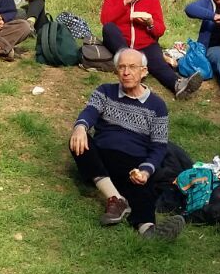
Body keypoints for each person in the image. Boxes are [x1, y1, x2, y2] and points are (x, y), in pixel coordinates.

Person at [69, 48, 186, 240]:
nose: (126, 72)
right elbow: (90, 111)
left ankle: (148, 229)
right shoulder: (105, 91)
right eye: (122, 67)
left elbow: (159, 146)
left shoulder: (157, 106)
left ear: (144, 71)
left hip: (133, 161)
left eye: (132, 67)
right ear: (116, 71)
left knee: (142, 183)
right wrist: (80, 127)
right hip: (103, 155)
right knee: (79, 141)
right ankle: (116, 199)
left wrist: (145, 171)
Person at [99, 0, 203, 99]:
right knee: (109, 28)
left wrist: (150, 23)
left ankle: (178, 85)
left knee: (158, 62)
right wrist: (124, 2)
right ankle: (133, 65)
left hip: (145, 44)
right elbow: (105, 20)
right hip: (121, 42)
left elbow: (160, 30)